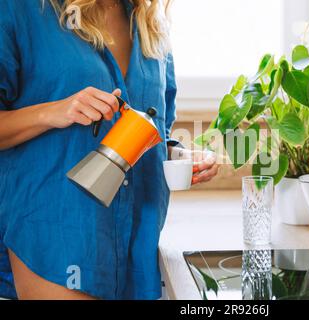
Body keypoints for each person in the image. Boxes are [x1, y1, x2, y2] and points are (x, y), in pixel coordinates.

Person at [0, 0, 218, 300]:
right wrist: (53, 112)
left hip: (138, 243)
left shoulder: (149, 21)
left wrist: (177, 156)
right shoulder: (22, 9)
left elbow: (156, 130)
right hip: (57, 233)